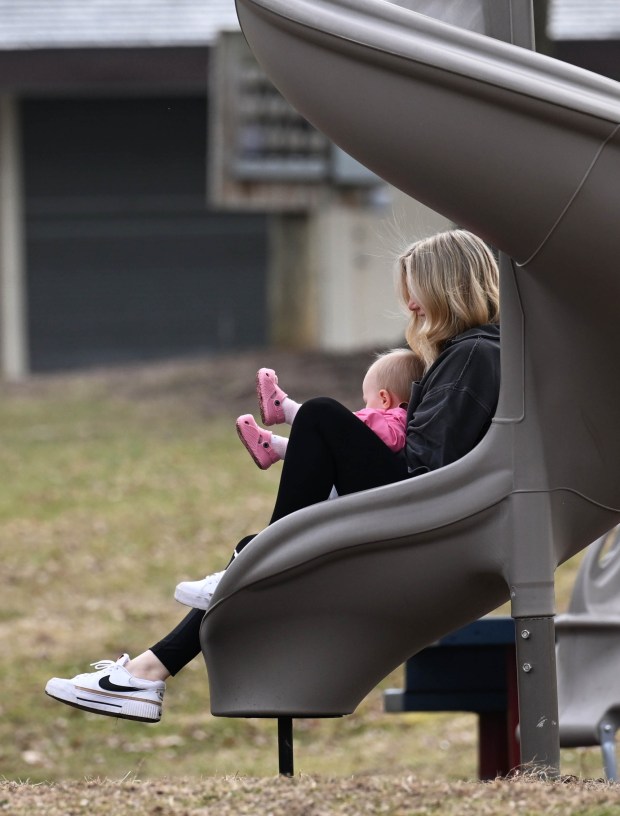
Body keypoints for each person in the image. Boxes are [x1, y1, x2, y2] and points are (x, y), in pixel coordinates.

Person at [44, 229, 501, 725]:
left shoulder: (475, 353)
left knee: (322, 415)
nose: (410, 304)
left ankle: (260, 556)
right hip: (423, 501)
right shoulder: (468, 353)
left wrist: (347, 439)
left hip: (422, 506)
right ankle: (149, 672)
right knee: (308, 450)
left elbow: (428, 461)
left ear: (448, 288)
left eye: (417, 290)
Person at [236, 348, 424, 471]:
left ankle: (283, 410)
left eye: (367, 401)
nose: (365, 408)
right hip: (346, 482)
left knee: (326, 422)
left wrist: (347, 421)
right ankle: (273, 446)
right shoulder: (397, 421)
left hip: (345, 490)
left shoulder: (398, 420)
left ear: (384, 398)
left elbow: (376, 436)